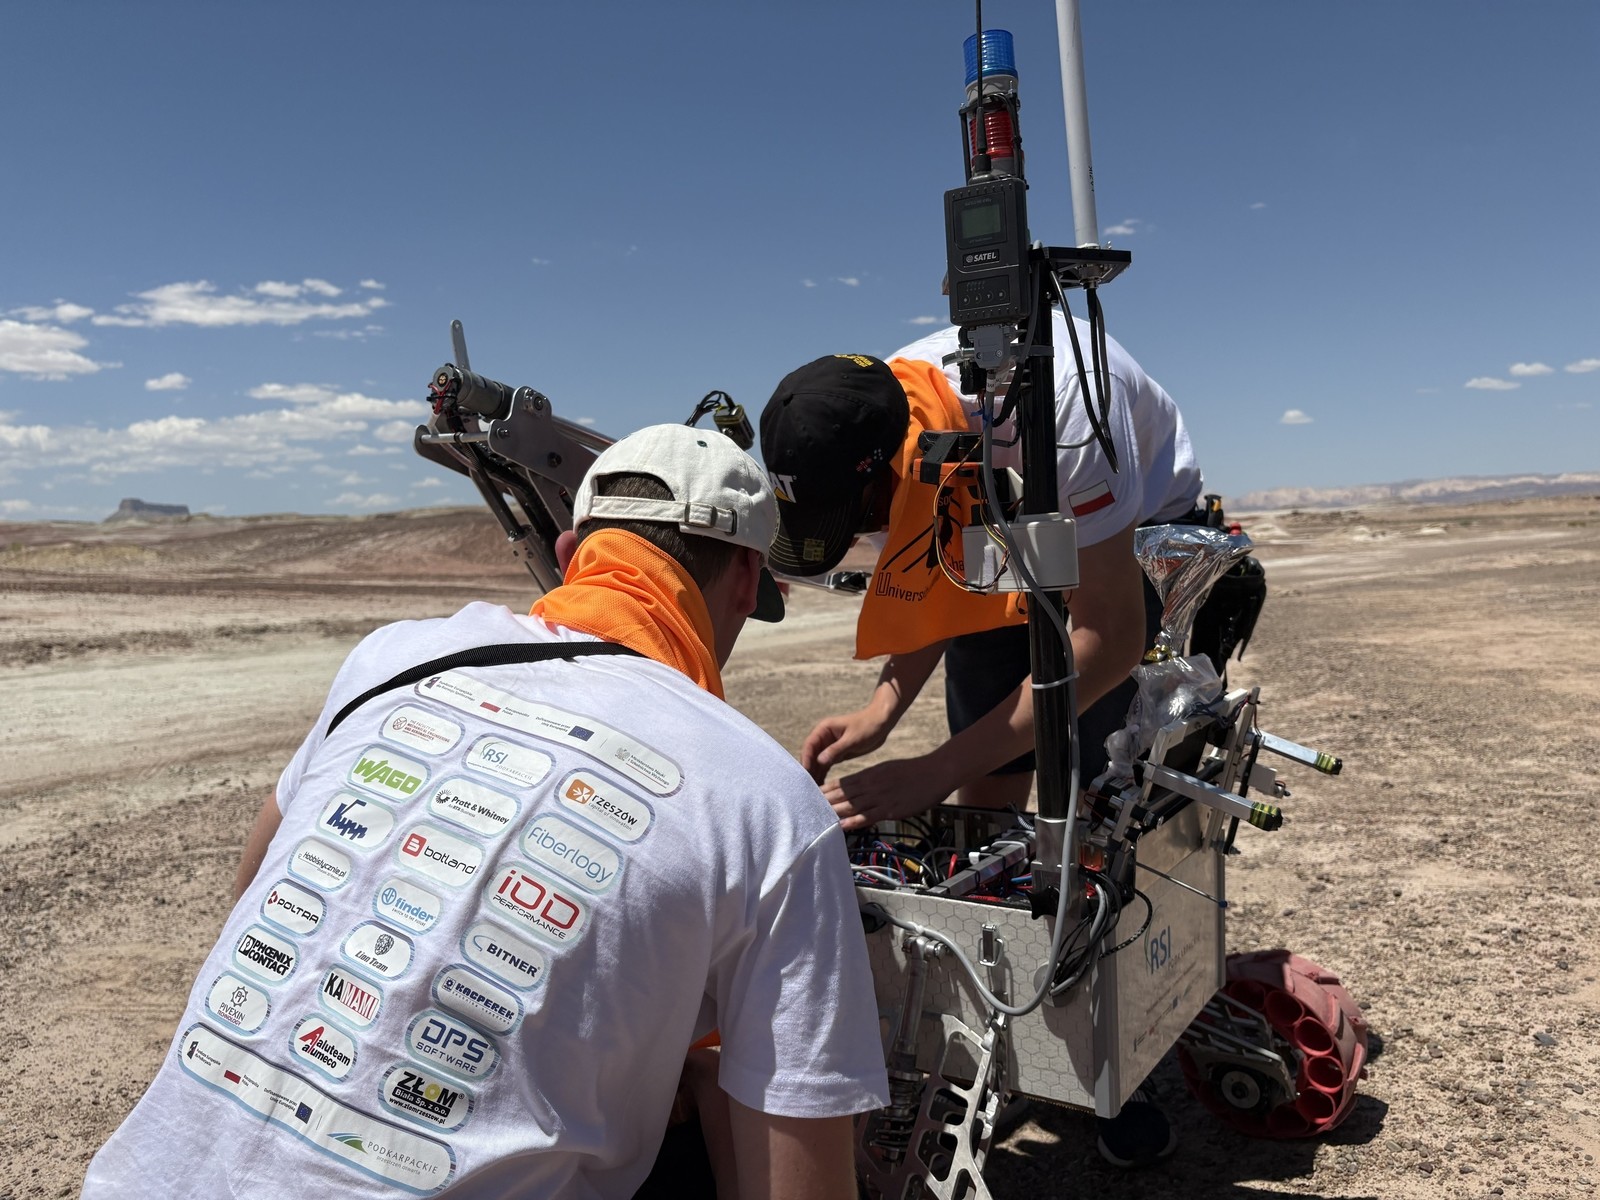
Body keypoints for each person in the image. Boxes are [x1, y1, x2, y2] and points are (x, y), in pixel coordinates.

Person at [82, 424, 890, 1200]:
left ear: (570, 556)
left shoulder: (390, 655)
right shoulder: (769, 803)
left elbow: (257, 885)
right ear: (747, 578)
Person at [759, 315, 1205, 1167]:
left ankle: (1107, 1053)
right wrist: (884, 710)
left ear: (898, 463)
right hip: (1005, 519)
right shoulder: (881, 407)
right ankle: (1000, 1037)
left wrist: (933, 768)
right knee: (990, 809)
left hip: (1132, 537)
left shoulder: (1067, 407)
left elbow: (1108, 636)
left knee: (1094, 809)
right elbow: (932, 571)